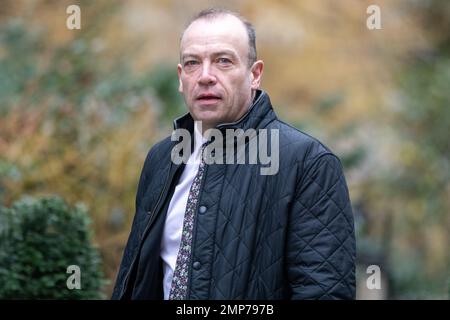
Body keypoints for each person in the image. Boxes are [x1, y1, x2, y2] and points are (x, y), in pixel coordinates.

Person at [112, 8, 355, 300]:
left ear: (255, 74)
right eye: (192, 63)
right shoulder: (161, 158)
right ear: (180, 78)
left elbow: (323, 293)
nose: (205, 77)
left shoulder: (308, 163)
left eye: (223, 61)